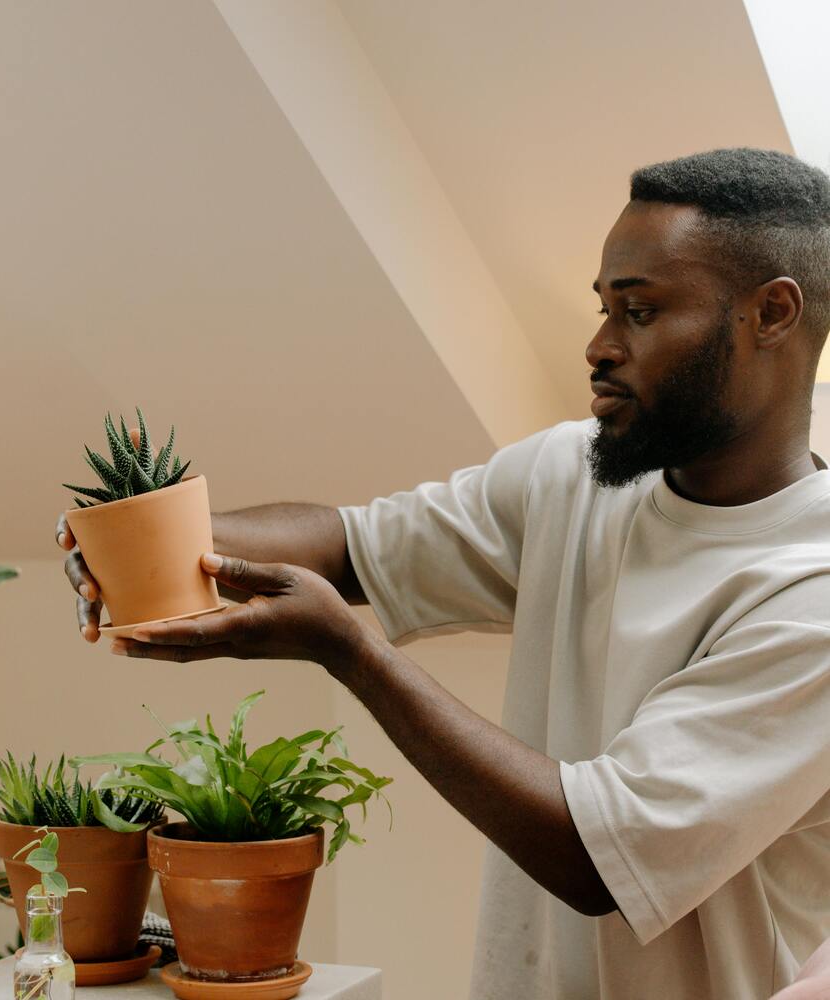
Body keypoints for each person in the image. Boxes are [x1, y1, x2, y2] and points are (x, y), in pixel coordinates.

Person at [57, 148, 830, 1000]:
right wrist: (143, 540)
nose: (599, 346)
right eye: (604, 308)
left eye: (639, 312)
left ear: (773, 313)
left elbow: (598, 857)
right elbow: (351, 546)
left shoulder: (809, 592)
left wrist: (351, 654)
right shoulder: (568, 474)